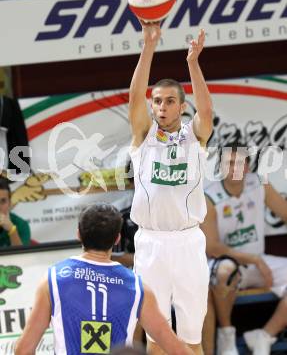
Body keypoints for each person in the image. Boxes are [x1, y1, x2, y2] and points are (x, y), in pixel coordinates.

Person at [128, 20, 213, 355]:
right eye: (157, 101)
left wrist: (193, 63)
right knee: (156, 338)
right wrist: (148, 46)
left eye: (168, 101)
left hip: (188, 241)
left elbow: (207, 110)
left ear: (181, 106)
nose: (161, 107)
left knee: (191, 339)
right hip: (150, 243)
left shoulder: (196, 135)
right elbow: (134, 96)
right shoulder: (143, 134)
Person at [15, 202, 194, 355]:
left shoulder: (53, 279)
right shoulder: (137, 287)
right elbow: (176, 349)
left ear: (78, 233)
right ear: (117, 239)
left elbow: (23, 350)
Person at [201, 144, 287, 355]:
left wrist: (256, 260)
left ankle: (264, 336)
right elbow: (212, 247)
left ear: (247, 166)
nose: (235, 168)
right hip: (226, 262)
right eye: (229, 163)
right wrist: (254, 260)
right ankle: (227, 336)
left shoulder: (259, 184)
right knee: (224, 272)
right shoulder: (209, 195)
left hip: (257, 261)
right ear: (220, 166)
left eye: (240, 162)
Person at [0, 176, 31, 247]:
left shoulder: (21, 225)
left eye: (3, 201)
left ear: (9, 203)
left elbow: (22, 257)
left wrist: (12, 230)